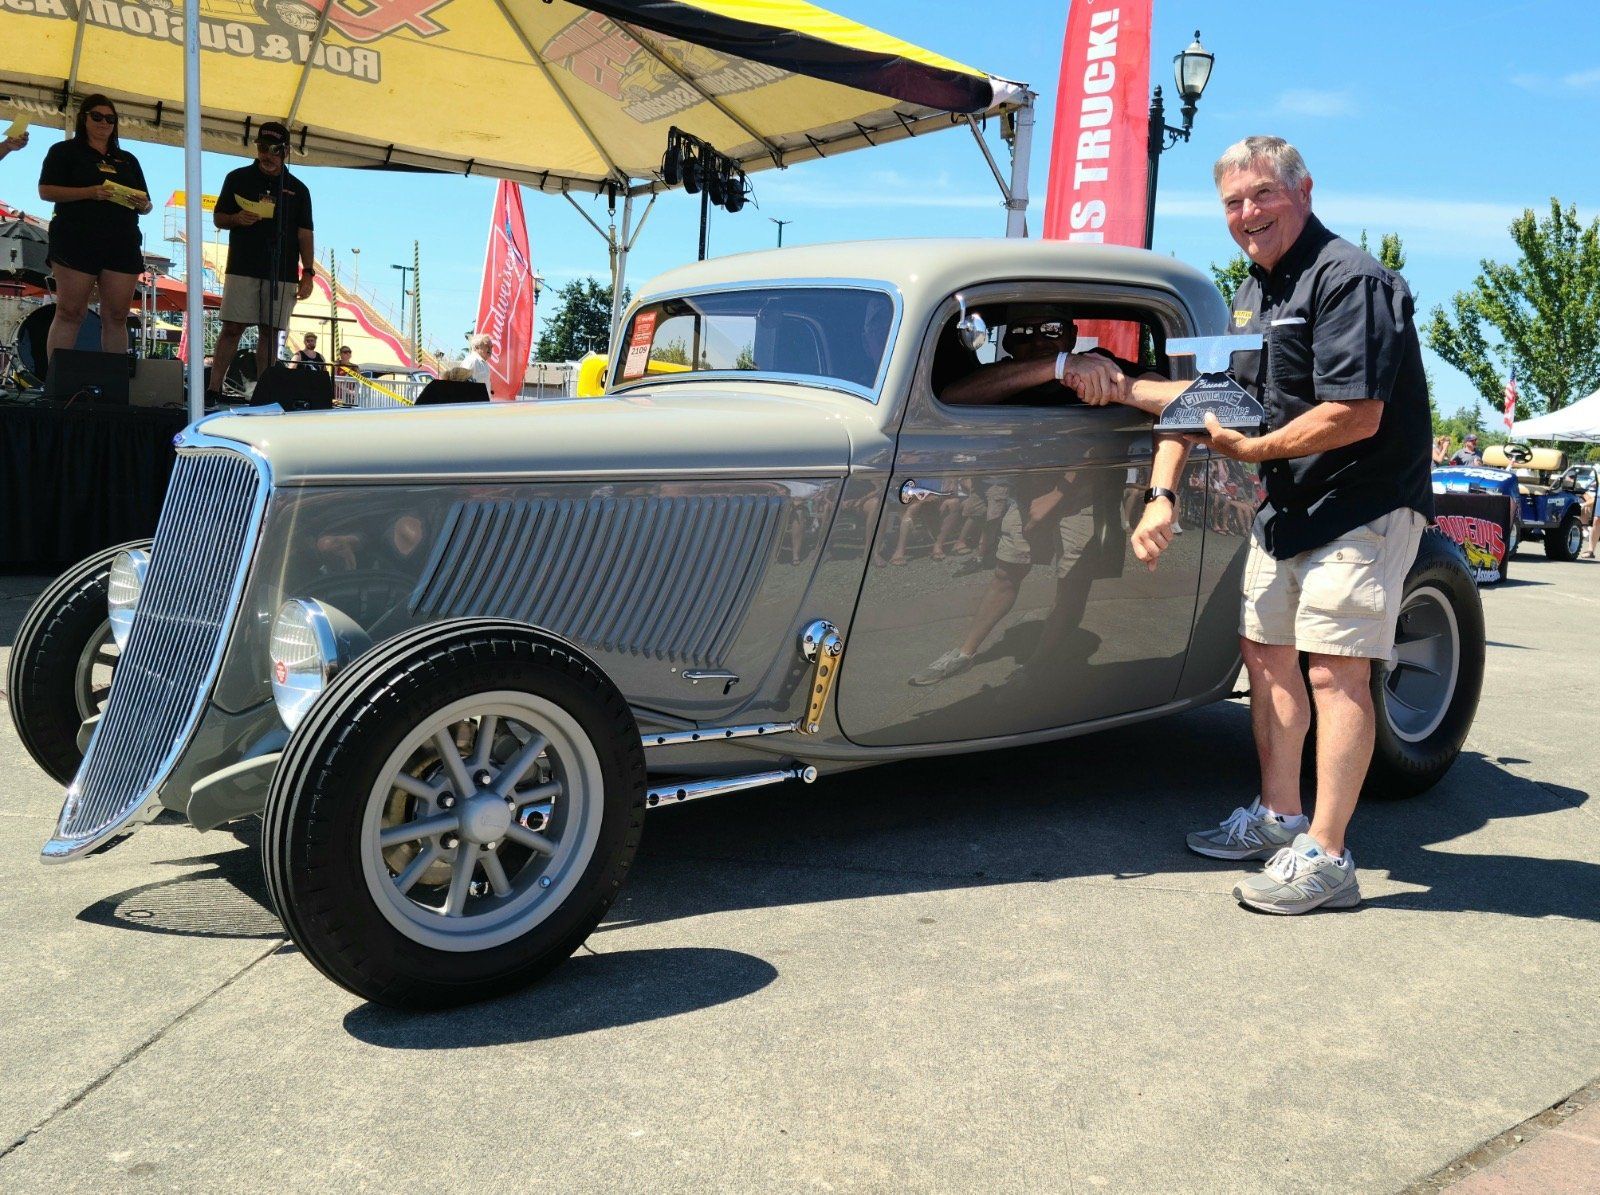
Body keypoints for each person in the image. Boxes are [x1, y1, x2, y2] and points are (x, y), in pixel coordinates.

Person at [1094, 135, 1433, 915]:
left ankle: (1330, 854)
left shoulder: (1352, 279)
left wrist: (1255, 448)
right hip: (1290, 508)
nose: (1248, 214)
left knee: (1335, 667)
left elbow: (1355, 414)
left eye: (1261, 195)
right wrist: (1155, 475)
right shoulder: (1255, 291)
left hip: (1363, 504)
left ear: (1302, 190)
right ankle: (1280, 817)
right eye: (1234, 203)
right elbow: (1211, 398)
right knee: (1266, 651)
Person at [910, 304, 1154, 684]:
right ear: (1007, 342)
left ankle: (1037, 667)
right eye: (1023, 333)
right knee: (1008, 572)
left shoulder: (1097, 362)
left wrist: (1111, 381)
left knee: (1072, 583)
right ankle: (964, 651)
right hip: (1027, 490)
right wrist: (1056, 366)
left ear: (1072, 335)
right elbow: (955, 395)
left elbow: (1153, 383)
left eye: (1052, 329)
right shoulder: (1007, 375)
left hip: (1085, 493)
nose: (1038, 339)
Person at [35, 95, 152, 363]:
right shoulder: (64, 151)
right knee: (71, 312)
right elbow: (45, 191)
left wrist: (143, 204)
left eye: (110, 119)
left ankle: (115, 384)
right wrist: (90, 192)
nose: (104, 123)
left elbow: (147, 203)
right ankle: (56, 383)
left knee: (118, 316)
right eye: (97, 117)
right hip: (76, 239)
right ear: (84, 118)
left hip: (122, 241)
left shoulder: (128, 159)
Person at [208, 120, 315, 400]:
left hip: (282, 272)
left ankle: (265, 393)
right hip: (242, 266)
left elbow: (305, 234)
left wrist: (309, 273)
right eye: (262, 148)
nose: (267, 155)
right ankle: (213, 388)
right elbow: (219, 217)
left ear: (286, 151)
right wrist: (236, 219)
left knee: (271, 331)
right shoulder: (237, 177)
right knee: (232, 327)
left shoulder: (298, 189)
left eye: (275, 149)